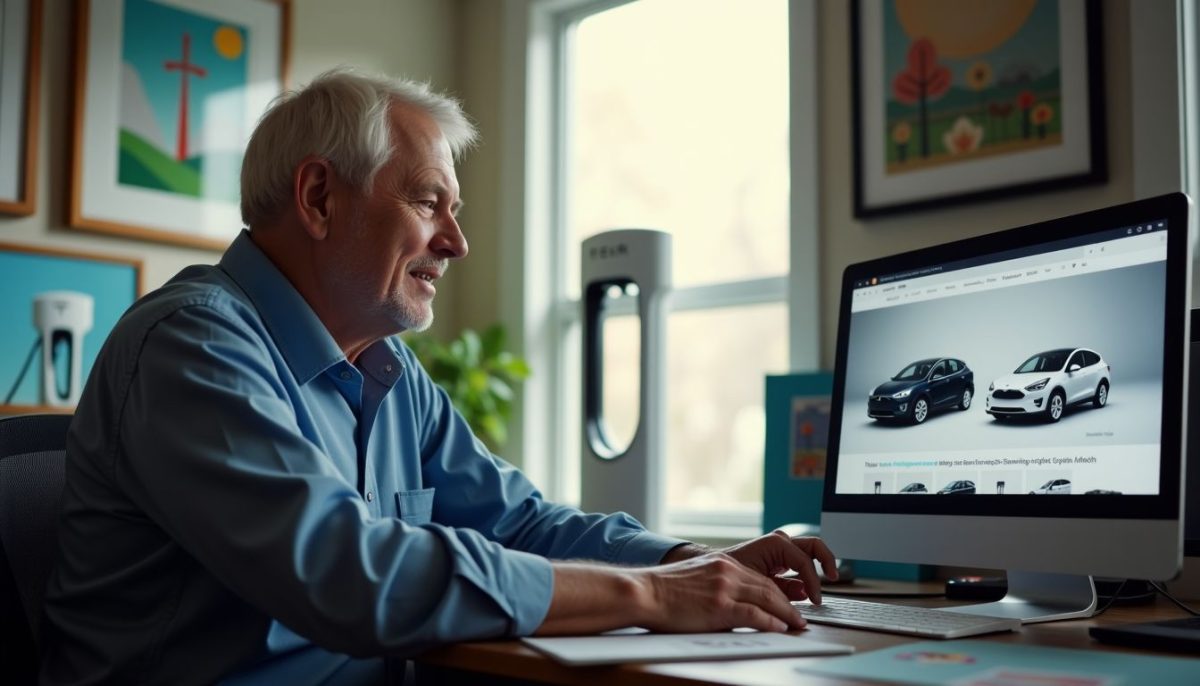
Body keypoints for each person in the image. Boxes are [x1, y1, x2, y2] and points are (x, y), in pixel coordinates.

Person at [40, 69, 836, 685]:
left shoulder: (387, 370)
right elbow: (350, 574)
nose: (455, 243)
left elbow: (519, 523)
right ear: (319, 198)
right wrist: (655, 599)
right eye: (430, 203)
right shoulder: (194, 347)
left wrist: (688, 562)